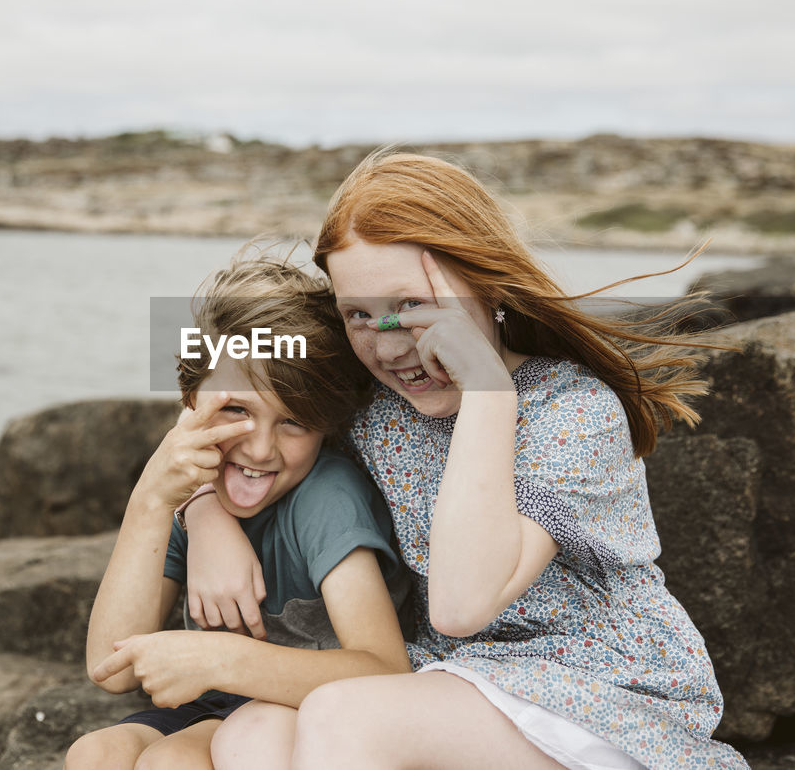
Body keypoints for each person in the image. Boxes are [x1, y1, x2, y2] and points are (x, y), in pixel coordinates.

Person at [182, 152, 751, 769]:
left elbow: (460, 606)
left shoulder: (576, 414)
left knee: (344, 713)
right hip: (454, 682)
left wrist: (487, 390)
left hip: (601, 698)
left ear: (488, 287)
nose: (391, 344)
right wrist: (205, 510)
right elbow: (232, 396)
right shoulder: (379, 408)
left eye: (414, 306)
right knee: (251, 732)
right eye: (359, 315)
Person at [65, 258, 411, 770]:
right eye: (236, 410)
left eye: (293, 420)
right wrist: (155, 500)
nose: (260, 448)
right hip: (214, 701)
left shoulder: (327, 498)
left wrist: (218, 659)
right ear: (191, 400)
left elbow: (385, 671)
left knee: (172, 763)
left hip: (307, 706)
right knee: (94, 754)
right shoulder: (191, 496)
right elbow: (110, 668)